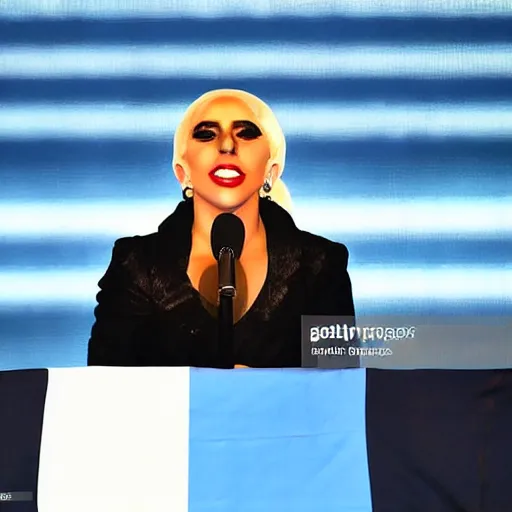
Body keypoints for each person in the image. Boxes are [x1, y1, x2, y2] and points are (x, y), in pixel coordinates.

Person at [87, 88, 355, 368]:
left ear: (270, 169)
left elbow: (339, 388)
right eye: (206, 134)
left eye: (246, 133)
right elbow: (105, 390)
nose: (227, 145)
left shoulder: (320, 265)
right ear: (183, 171)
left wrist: (269, 392)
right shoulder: (136, 265)